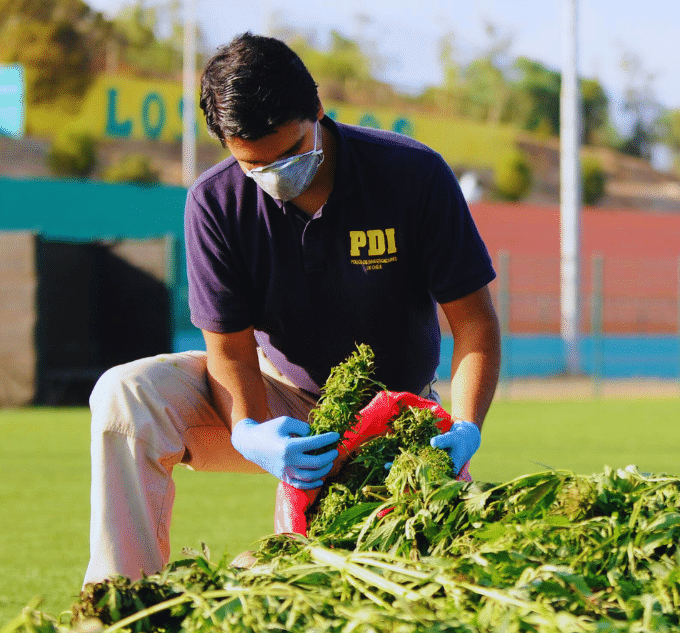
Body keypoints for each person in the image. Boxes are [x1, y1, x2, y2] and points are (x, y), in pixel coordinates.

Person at [84, 32, 500, 585]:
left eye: (291, 152)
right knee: (125, 394)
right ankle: (120, 601)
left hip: (398, 419)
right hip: (279, 401)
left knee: (386, 583)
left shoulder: (411, 174)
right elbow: (228, 350)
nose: (276, 174)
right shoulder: (215, 203)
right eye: (255, 164)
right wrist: (250, 428)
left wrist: (466, 425)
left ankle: (270, 564)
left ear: (318, 110)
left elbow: (474, 325)